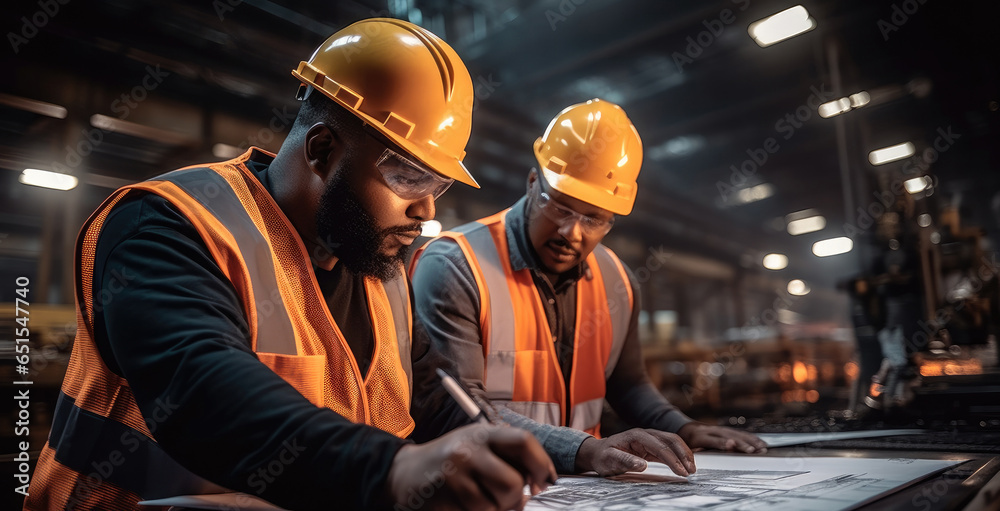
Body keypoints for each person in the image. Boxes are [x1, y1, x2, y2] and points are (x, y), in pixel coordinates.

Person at [24, 18, 554, 511]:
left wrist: (555, 455)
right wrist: (392, 468)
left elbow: (434, 396)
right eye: (409, 178)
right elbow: (201, 391)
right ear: (321, 149)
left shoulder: (376, 269)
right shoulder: (168, 225)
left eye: (437, 186)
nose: (428, 209)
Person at [409, 99, 766, 477]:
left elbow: (628, 385)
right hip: (484, 483)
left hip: (580, 492)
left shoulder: (618, 282)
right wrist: (583, 449)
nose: (571, 233)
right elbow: (458, 406)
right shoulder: (456, 266)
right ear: (533, 183)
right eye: (559, 207)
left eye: (594, 219)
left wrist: (682, 428)